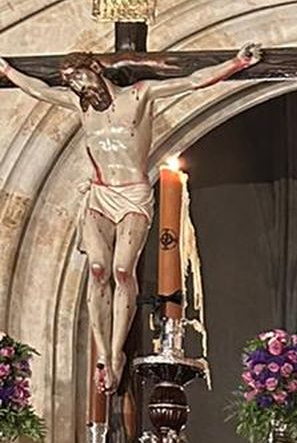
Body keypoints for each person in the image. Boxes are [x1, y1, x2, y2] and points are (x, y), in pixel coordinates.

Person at [0, 44, 260, 389]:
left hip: (133, 194)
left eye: (79, 77)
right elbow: (40, 90)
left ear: (95, 68)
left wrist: (237, 63)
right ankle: (104, 354)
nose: (78, 87)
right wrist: (7, 71)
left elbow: (193, 81)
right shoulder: (80, 105)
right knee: (97, 269)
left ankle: (117, 349)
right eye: (72, 82)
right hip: (99, 193)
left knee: (122, 270)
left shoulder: (139, 95)